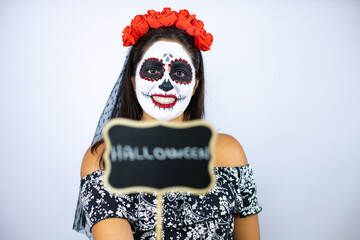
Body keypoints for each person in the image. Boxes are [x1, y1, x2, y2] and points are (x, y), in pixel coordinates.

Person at [73, 7, 262, 240]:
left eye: (180, 73)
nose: (165, 84)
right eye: (153, 70)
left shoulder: (229, 152)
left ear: (194, 85)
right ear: (133, 80)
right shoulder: (103, 158)